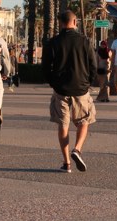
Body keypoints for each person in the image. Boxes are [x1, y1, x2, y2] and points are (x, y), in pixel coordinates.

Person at [42, 10, 97, 173]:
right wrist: (88, 83)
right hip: (81, 89)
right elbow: (93, 66)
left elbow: (45, 68)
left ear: (60, 23)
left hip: (61, 90)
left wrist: (54, 83)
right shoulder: (85, 41)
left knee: (63, 125)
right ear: (75, 22)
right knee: (84, 121)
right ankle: (77, 149)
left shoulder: (53, 43)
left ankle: (67, 163)